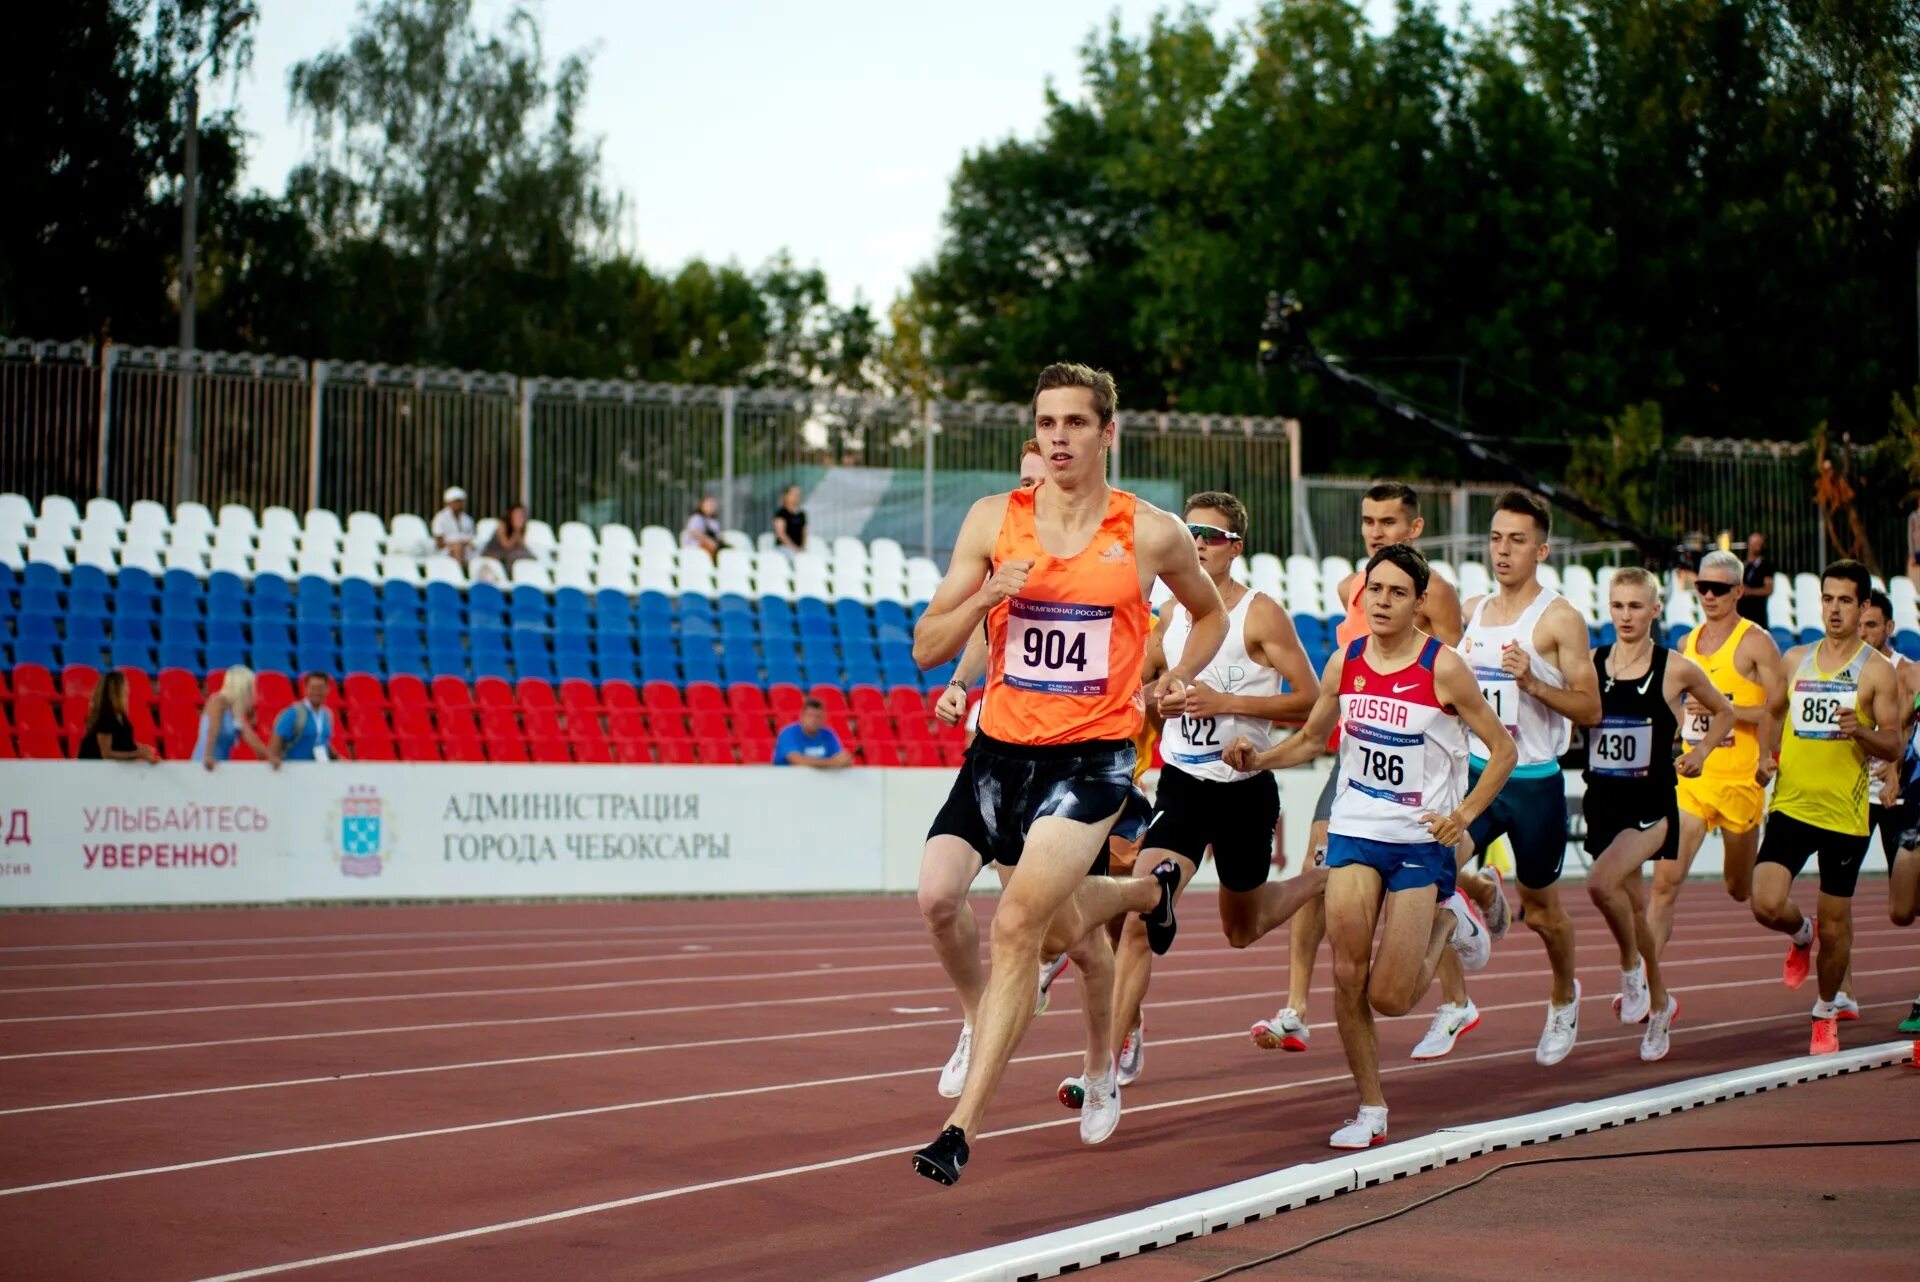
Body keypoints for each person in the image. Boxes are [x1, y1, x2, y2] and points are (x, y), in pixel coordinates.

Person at [909, 362, 1226, 1185]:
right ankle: (1142, 896)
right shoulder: (992, 520)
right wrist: (986, 599)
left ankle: (960, 1130)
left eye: (1075, 423)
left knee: (1021, 926)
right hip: (998, 754)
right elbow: (927, 646)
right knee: (939, 899)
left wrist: (1178, 677)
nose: (1058, 437)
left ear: (1106, 432)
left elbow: (1210, 611)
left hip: (1090, 760)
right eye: (1047, 423)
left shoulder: (1150, 533)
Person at [1224, 544, 1515, 1148]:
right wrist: (1260, 760)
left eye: (1396, 593)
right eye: (1374, 591)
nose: (1381, 602)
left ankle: (1449, 920)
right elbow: (1310, 739)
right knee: (1347, 974)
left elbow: (1503, 751)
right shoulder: (1345, 660)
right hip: (1354, 831)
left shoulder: (1444, 668)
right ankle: (1370, 1109)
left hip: (1416, 842)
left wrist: (1461, 816)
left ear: (1418, 602)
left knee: (1390, 998)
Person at [1264, 482, 1500, 1063]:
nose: (1375, 532)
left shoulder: (1435, 594)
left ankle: (1455, 981)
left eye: (1388, 522)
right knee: (1317, 865)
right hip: (1355, 758)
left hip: (1418, 769)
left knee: (1408, 917)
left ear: (1413, 530)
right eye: (1368, 521)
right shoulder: (1351, 589)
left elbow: (1442, 691)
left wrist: (1458, 806)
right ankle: (1296, 1005)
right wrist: (1263, 757)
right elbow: (1332, 701)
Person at [1105, 490, 1321, 1090]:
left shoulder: (1261, 613)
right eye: (1192, 533)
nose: (1200, 543)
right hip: (1183, 783)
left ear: (1236, 547)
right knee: (1141, 914)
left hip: (1244, 789)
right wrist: (1158, 700)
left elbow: (1309, 700)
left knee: (1241, 929)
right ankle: (1106, 1062)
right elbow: (1139, 691)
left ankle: (1325, 877)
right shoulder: (1171, 615)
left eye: (1214, 536)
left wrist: (1228, 703)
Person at [1455, 490, 1601, 1066]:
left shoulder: (1559, 618)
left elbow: (1589, 711)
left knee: (1541, 911)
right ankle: (1483, 891)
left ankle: (1565, 995)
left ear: (1541, 548)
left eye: (1516, 540)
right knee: (1433, 866)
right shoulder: (1475, 610)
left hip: (1535, 781)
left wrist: (1534, 681)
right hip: (1477, 770)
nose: (1503, 550)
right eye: (1495, 538)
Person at [1580, 569, 1734, 1060]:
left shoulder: (1676, 668)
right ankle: (1660, 1001)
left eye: (1635, 606)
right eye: (1618, 605)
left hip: (1651, 805)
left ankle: (1631, 973)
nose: (1625, 615)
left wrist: (1703, 751)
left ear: (1655, 610)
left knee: (1600, 884)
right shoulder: (1593, 663)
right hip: (1603, 800)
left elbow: (1725, 712)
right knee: (1633, 907)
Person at [1751, 559, 1901, 1054]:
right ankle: (1800, 933)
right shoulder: (1796, 660)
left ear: (1863, 608)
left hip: (1844, 817)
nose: (1834, 609)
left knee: (1837, 929)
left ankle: (1824, 1010)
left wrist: (1860, 730)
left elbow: (1894, 744)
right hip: (1792, 805)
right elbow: (1772, 711)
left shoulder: (1877, 673)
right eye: (1828, 598)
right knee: (1765, 903)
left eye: (1845, 601)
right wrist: (1764, 759)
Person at [1648, 550, 1784, 956]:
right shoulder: (1687, 643)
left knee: (1739, 889)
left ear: (1738, 591)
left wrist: (1725, 710)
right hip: (1694, 778)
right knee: (1663, 882)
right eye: (1702, 587)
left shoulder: (1757, 643)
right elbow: (1676, 703)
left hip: (1741, 781)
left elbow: (1777, 709)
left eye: (1718, 589)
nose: (1708, 596)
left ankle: (1800, 931)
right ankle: (1647, 987)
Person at [1860, 589, 1906, 866]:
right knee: (1838, 883)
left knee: (1904, 895)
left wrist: (1895, 768)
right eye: (1860, 625)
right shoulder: (1844, 670)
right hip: (1854, 792)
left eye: (1872, 625)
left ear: (1889, 627)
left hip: (1896, 796)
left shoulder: (1907, 672)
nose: (1863, 633)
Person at [193, 665, 279, 772]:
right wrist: (208, 756)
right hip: (204, 763)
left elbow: (250, 737)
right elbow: (212, 731)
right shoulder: (218, 701)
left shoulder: (235, 711)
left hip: (221, 765)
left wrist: (270, 757)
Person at [74, 671, 159, 762]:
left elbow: (124, 742)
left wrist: (143, 750)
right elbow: (106, 754)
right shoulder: (105, 715)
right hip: (92, 767)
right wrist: (137, 753)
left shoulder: (120, 715)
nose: (128, 689)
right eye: (125, 685)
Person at [270, 673, 336, 762]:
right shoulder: (293, 713)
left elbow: (323, 741)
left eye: (320, 688)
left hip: (319, 769)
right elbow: (277, 738)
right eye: (313, 688)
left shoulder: (327, 714)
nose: (317, 692)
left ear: (327, 689)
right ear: (305, 689)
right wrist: (274, 761)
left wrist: (338, 759)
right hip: (295, 768)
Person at [772, 697, 854, 768]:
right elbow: (796, 760)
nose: (813, 720)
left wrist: (845, 760)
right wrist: (831, 763)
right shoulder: (788, 733)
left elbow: (841, 759)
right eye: (810, 716)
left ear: (823, 718)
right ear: (801, 716)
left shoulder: (829, 735)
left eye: (817, 717)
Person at [1738, 531, 1774, 626]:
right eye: (1754, 543)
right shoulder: (1742, 565)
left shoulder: (1766, 566)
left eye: (1759, 543)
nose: (1757, 546)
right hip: (1741, 613)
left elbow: (1768, 590)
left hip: (1757, 614)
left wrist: (1749, 591)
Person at [481, 504, 535, 568]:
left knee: (527, 553)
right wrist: (516, 530)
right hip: (495, 553)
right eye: (517, 515)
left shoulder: (522, 527)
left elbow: (522, 545)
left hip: (509, 553)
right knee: (514, 556)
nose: (520, 517)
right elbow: (506, 546)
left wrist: (519, 531)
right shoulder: (502, 526)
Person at [432, 487, 476, 565]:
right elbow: (439, 541)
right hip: (446, 549)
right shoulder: (440, 518)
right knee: (457, 548)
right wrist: (455, 544)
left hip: (466, 548)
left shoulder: (467, 519)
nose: (458, 504)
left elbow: (471, 539)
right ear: (448, 503)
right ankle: (459, 572)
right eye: (456, 501)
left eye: (460, 501)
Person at [773, 485, 808, 555]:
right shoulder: (781, 513)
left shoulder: (802, 514)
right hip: (784, 547)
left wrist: (802, 547)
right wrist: (793, 548)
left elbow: (804, 533)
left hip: (799, 548)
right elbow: (781, 533)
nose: (796, 497)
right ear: (786, 496)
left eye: (798, 495)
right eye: (793, 494)